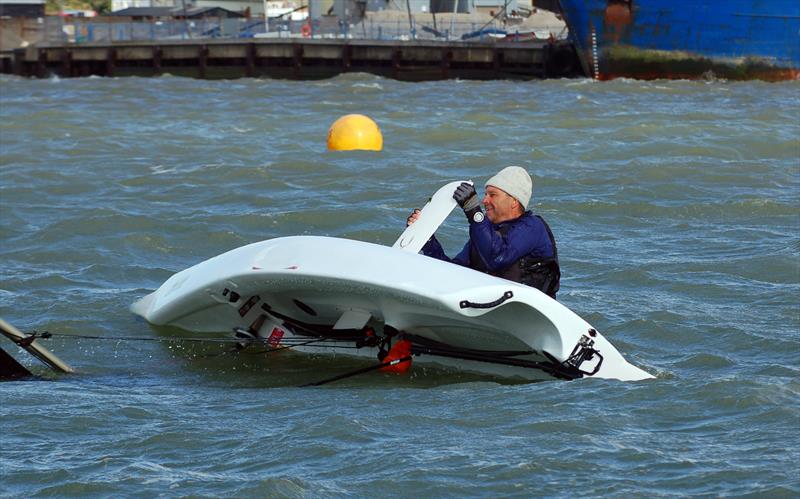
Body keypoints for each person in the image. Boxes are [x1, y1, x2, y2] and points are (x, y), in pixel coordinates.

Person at [407, 166, 560, 298]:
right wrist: (426, 238)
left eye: (492, 195)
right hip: (487, 308)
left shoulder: (532, 227)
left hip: (528, 312)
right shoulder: (485, 234)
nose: (484, 200)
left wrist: (474, 212)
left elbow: (497, 258)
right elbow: (452, 271)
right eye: (485, 194)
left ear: (514, 201)